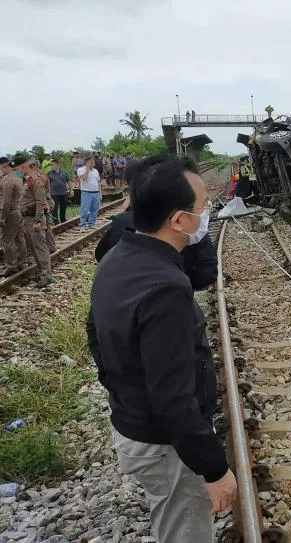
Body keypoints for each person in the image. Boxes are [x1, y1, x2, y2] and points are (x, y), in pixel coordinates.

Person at [86, 157, 237, 542]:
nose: (206, 214)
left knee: (168, 516)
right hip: (164, 444)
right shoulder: (166, 285)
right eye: (201, 207)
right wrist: (214, 469)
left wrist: (122, 390)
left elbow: (94, 333)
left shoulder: (119, 257)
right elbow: (173, 396)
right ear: (178, 221)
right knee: (184, 531)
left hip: (133, 423)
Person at [94, 156, 218, 291]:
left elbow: (100, 253)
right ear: (178, 220)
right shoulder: (170, 288)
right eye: (204, 204)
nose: (206, 211)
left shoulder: (111, 258)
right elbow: (207, 271)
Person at [14, 155, 52, 288]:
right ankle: (41, 272)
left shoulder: (36, 180)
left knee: (40, 246)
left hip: (34, 218)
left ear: (23, 166)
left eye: (17, 167)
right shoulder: (27, 180)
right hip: (27, 218)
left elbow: (40, 201)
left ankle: (47, 275)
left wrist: (37, 220)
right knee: (32, 246)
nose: (17, 170)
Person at [0, 157, 27, 277]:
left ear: (4, 166)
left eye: (1, 168)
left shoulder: (7, 180)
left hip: (10, 212)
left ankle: (11, 265)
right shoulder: (18, 178)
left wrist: (2, 216)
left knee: (7, 240)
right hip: (18, 211)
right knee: (19, 238)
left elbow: (6, 202)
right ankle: (22, 262)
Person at [29, 160, 56, 253]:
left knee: (44, 227)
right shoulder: (43, 175)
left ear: (34, 166)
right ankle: (51, 247)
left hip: (45, 202)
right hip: (47, 201)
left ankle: (48, 248)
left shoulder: (38, 177)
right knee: (47, 226)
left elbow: (41, 194)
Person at [76, 157, 101, 231]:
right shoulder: (80, 170)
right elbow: (84, 178)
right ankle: (83, 225)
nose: (94, 164)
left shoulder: (96, 170)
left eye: (94, 162)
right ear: (87, 163)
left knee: (94, 209)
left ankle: (91, 223)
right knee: (85, 209)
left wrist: (100, 193)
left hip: (96, 192)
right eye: (92, 162)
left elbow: (98, 182)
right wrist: (87, 169)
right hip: (86, 192)